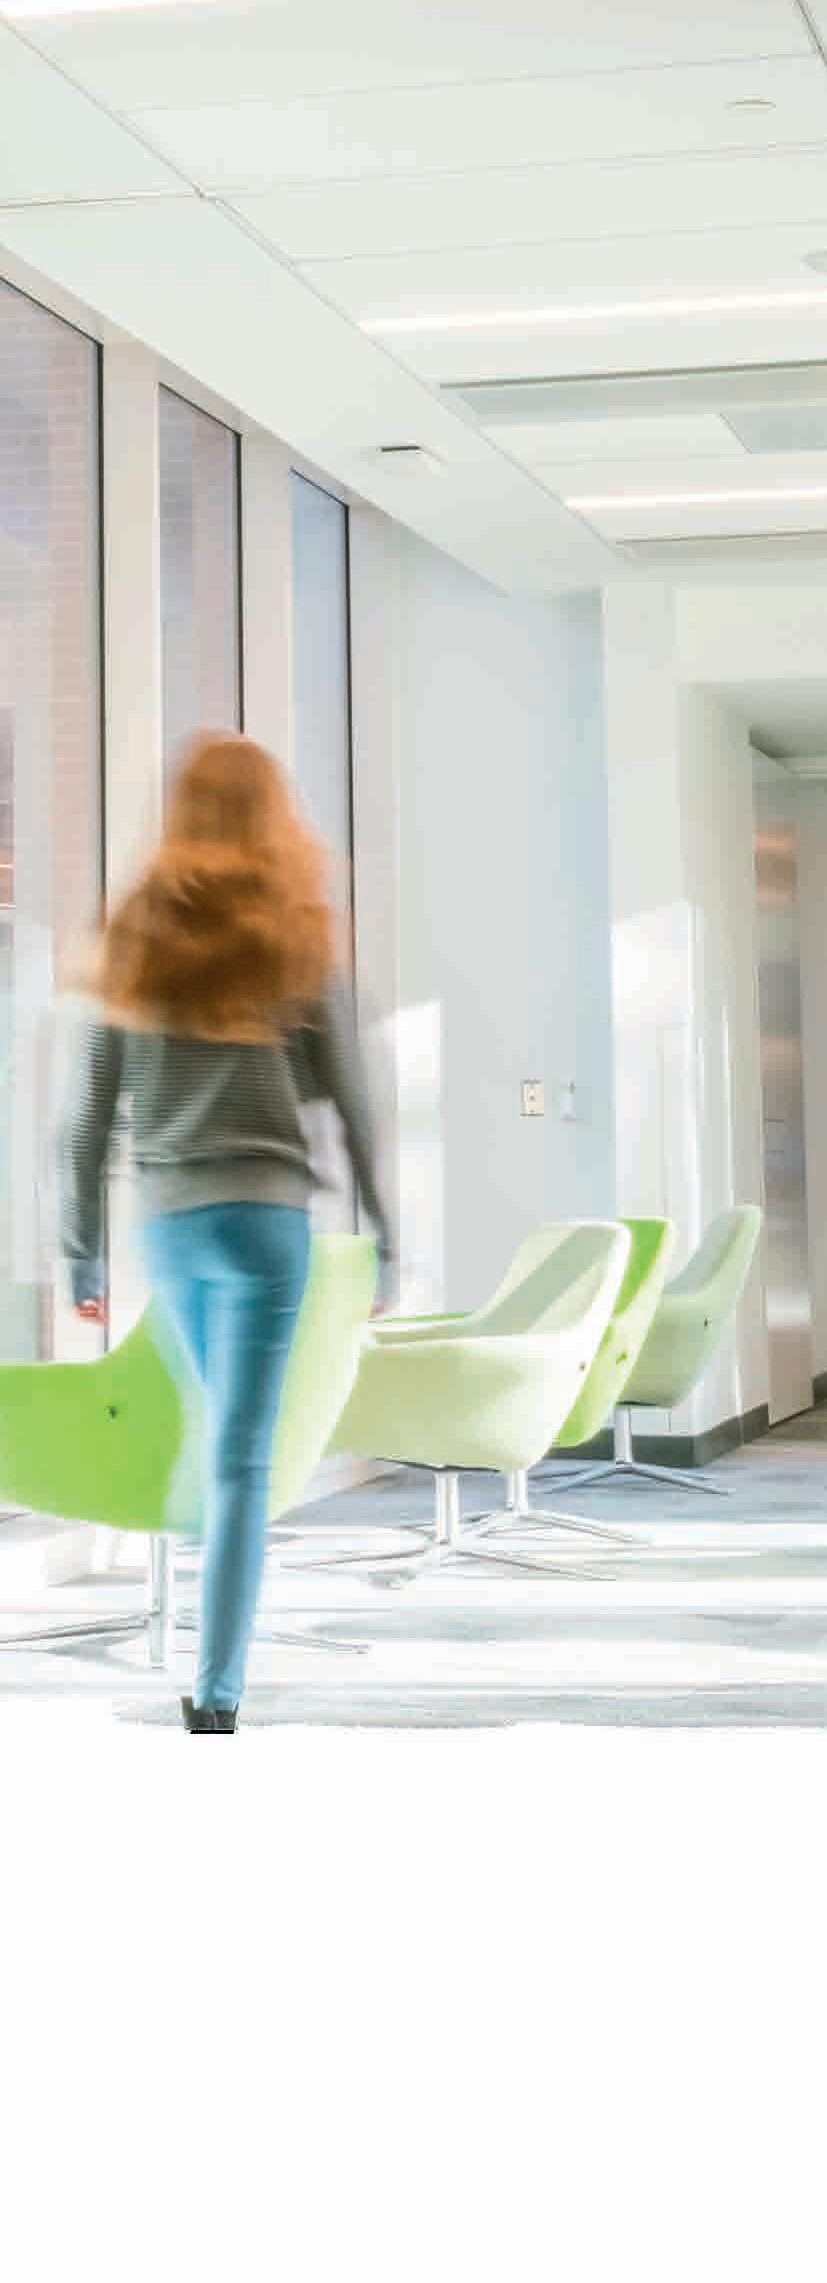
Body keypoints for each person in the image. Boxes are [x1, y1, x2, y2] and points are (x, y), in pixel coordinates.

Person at [58, 734, 395, 1736]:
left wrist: (81, 1250)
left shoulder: (137, 936)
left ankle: (204, 1621)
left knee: (220, 1438)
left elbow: (87, 1117)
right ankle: (217, 1692)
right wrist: (386, 1232)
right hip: (267, 1223)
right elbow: (354, 1103)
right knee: (243, 1458)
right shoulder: (294, 935)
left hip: (172, 1224)